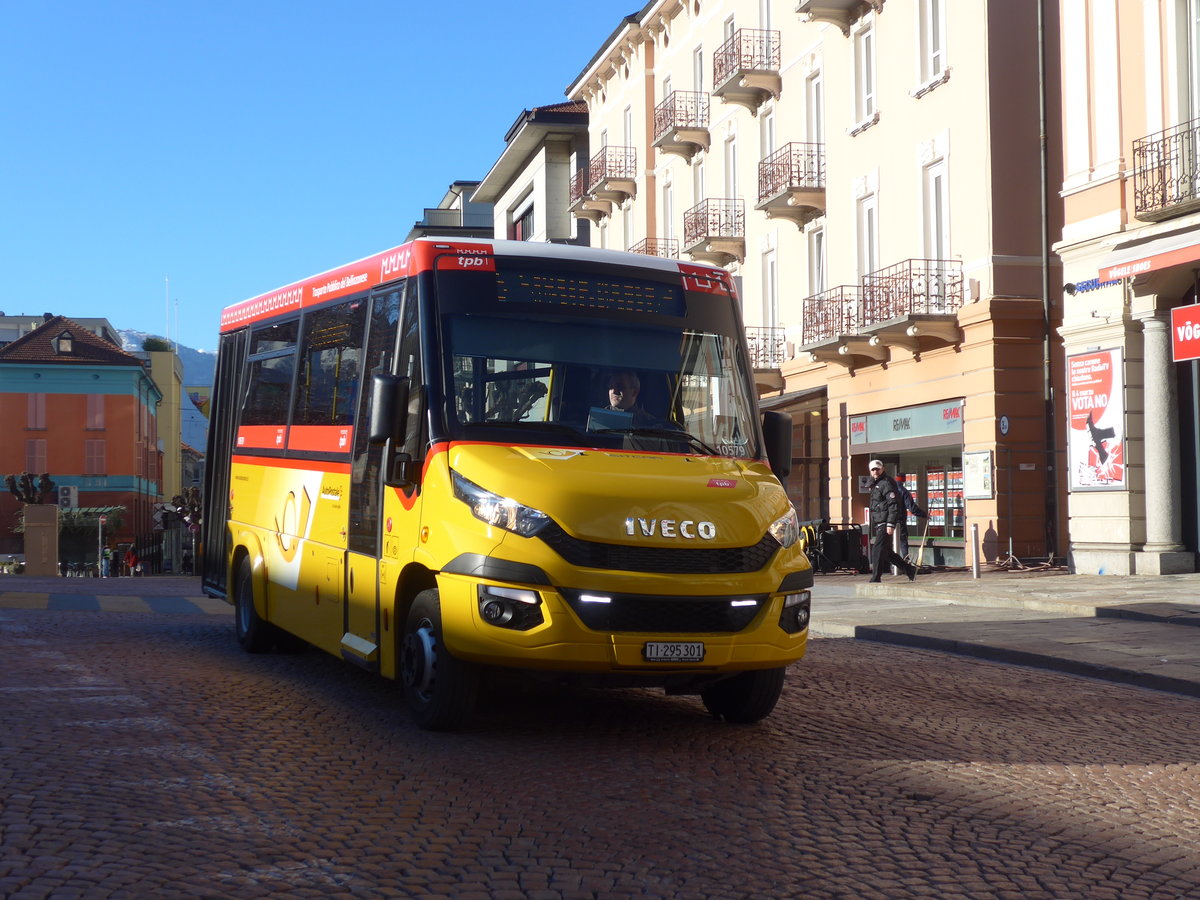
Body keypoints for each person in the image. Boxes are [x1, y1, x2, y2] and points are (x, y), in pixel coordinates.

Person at [867, 459, 917, 583]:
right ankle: (909, 569)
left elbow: (894, 505)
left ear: (882, 469)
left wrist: (890, 523)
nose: (875, 471)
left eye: (877, 469)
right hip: (879, 522)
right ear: (870, 471)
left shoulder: (886, 483)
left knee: (877, 549)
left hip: (885, 522)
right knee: (887, 552)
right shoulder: (875, 484)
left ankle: (876, 577)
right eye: (873, 469)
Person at [894, 476, 927, 562]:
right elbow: (912, 508)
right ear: (904, 480)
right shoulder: (904, 491)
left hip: (888, 521)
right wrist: (924, 515)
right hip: (899, 520)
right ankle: (905, 562)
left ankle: (889, 565)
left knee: (888, 542)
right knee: (903, 540)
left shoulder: (889, 489)